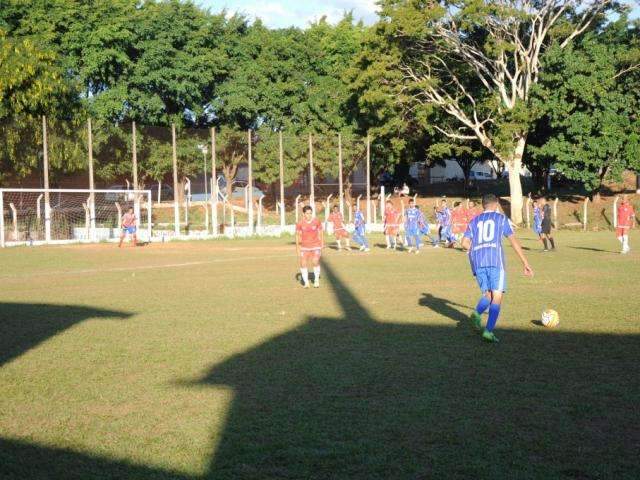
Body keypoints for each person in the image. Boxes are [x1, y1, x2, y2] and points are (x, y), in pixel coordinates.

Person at [462, 194, 533, 343]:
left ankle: (477, 313)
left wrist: (475, 250)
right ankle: (488, 331)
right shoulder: (501, 219)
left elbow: (464, 242)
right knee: (497, 297)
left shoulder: (474, 221)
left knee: (488, 294)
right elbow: (513, 241)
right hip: (495, 261)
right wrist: (525, 263)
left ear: (483, 205)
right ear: (495, 205)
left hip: (478, 262)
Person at [296, 205, 324, 288]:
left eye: (310, 213)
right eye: (307, 213)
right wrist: (297, 248)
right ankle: (306, 283)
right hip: (304, 247)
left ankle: (316, 280)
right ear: (303, 214)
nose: (309, 215)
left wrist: (322, 242)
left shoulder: (316, 221)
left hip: (316, 245)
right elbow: (297, 236)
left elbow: (321, 231)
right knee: (303, 263)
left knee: (315, 261)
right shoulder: (300, 223)